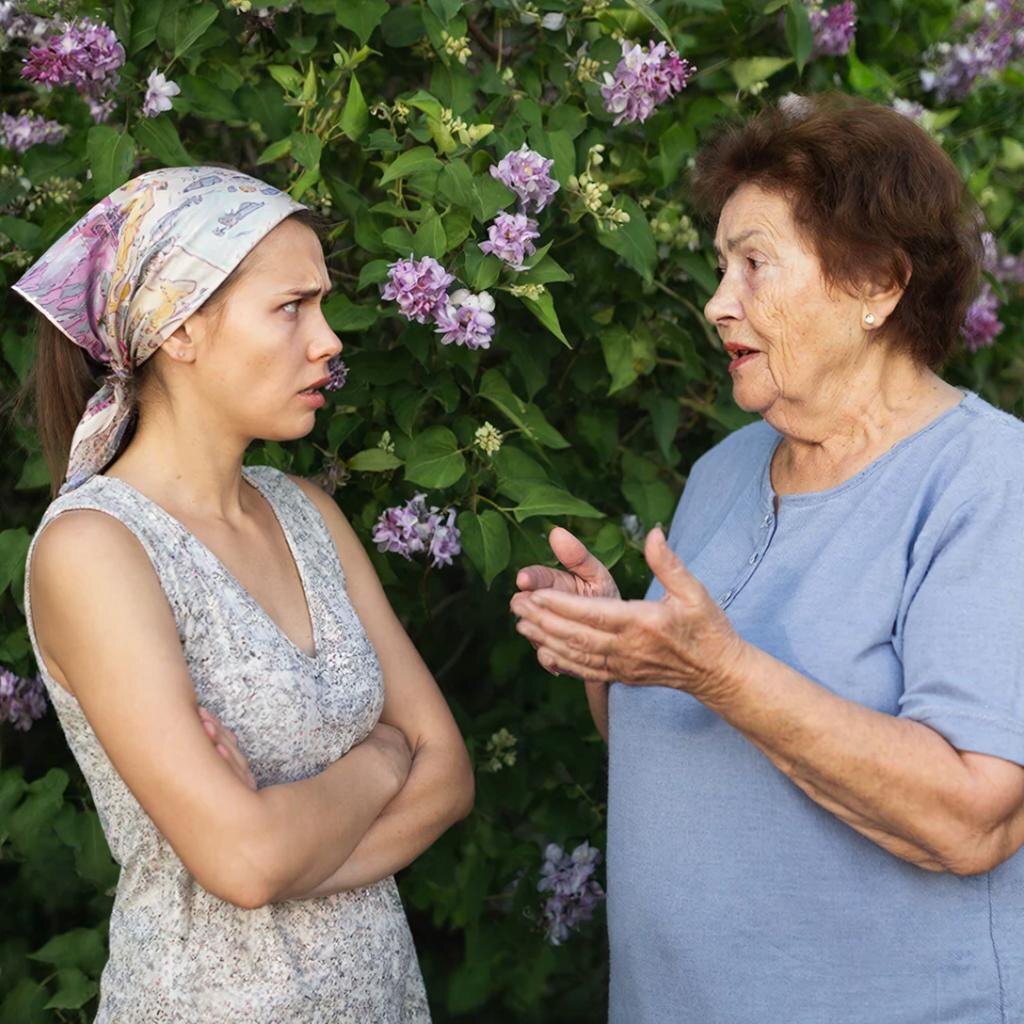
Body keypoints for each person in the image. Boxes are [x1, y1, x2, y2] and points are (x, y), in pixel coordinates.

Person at [511, 94, 1024, 1023]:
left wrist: (717, 669)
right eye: (720, 267)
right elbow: (690, 757)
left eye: (753, 264)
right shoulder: (725, 470)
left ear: (877, 284)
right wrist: (617, 652)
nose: (717, 303)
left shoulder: (989, 483)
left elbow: (973, 818)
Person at [17, 166, 473, 1023]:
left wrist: (286, 848)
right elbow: (244, 861)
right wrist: (383, 759)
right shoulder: (97, 550)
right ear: (181, 328)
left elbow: (447, 773)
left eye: (322, 305)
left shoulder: (307, 514)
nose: (329, 340)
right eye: (292, 307)